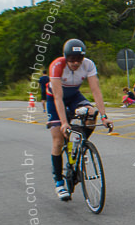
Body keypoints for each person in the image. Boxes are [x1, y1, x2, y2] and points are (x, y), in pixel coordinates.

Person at [47, 39, 111, 201]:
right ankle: (59, 183)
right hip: (55, 99)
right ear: (65, 57)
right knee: (58, 139)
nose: (75, 63)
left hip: (74, 95)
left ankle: (79, 144)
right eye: (71, 60)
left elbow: (96, 91)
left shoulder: (88, 64)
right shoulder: (57, 66)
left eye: (79, 60)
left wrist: (104, 116)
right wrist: (64, 123)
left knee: (91, 112)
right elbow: (58, 98)